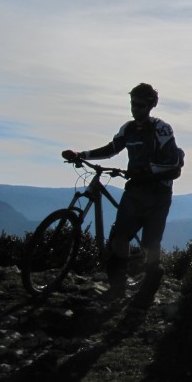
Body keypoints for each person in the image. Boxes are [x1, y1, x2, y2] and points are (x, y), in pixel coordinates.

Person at [62, 83, 182, 308]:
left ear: (150, 106)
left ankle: (148, 289)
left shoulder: (161, 129)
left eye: (140, 105)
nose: (135, 109)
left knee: (151, 244)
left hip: (158, 194)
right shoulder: (128, 129)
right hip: (135, 191)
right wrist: (82, 154)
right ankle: (117, 288)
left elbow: (172, 162)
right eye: (132, 104)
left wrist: (146, 170)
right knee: (119, 238)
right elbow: (111, 149)